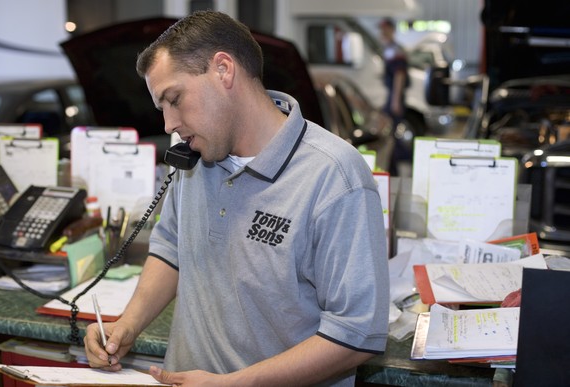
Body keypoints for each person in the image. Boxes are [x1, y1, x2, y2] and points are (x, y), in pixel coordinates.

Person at [83, 10, 390, 386]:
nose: (168, 124)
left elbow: (358, 333)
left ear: (223, 70)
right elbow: (170, 249)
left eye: (174, 99)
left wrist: (234, 384)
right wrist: (127, 326)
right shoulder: (196, 156)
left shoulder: (334, 176)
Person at [378, 17, 410, 176]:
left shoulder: (395, 50)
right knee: (391, 132)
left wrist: (395, 100)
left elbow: (399, 75)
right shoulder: (389, 48)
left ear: (391, 29)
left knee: (391, 132)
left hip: (394, 96)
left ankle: (400, 163)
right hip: (391, 95)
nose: (382, 32)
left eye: (385, 29)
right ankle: (395, 165)